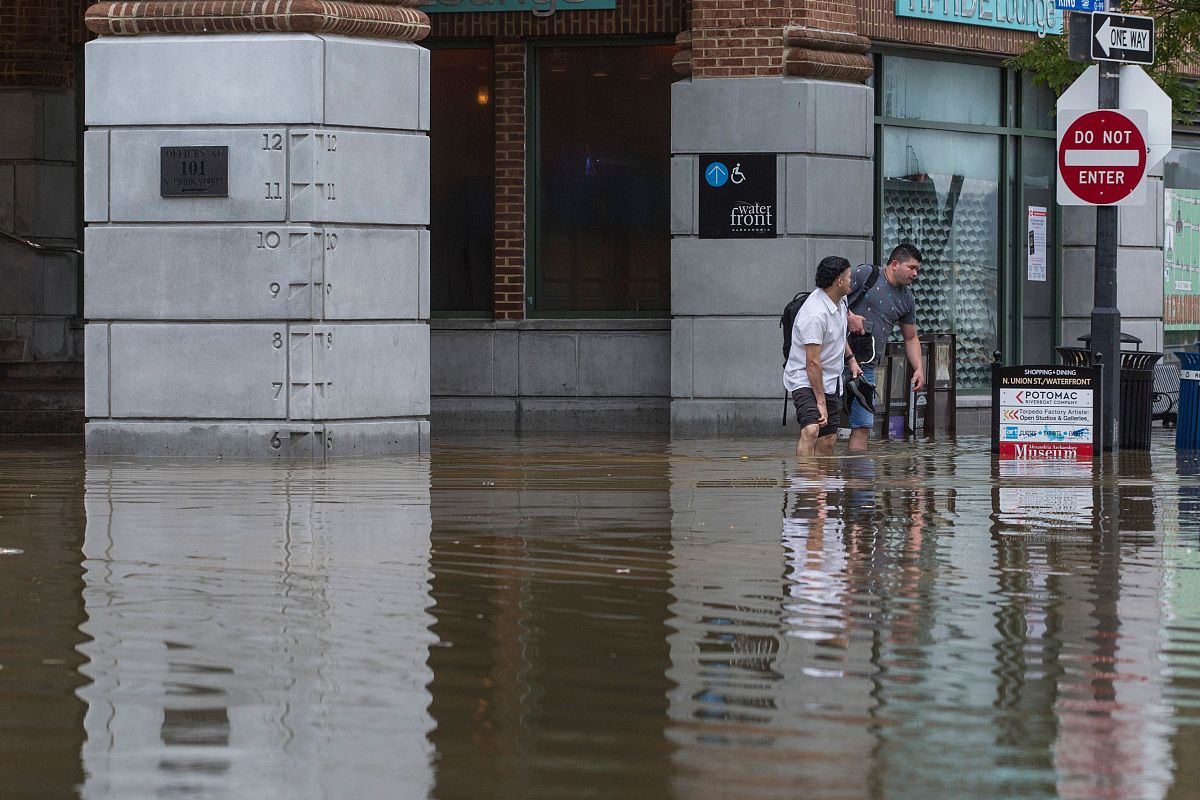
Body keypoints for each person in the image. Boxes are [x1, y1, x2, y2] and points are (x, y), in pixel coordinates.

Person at [844, 243, 926, 453]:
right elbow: (831, 298)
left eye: (918, 269)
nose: (915, 274)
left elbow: (911, 337)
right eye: (912, 267)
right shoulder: (866, 274)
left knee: (863, 426)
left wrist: (918, 368)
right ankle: (814, 483)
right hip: (836, 358)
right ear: (895, 264)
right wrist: (849, 317)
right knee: (823, 424)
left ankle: (859, 483)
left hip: (867, 367)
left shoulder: (907, 299)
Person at [784, 256, 863, 457]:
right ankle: (807, 485)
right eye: (849, 277)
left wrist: (851, 359)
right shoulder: (814, 314)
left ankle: (823, 483)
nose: (851, 281)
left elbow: (838, 333)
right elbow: (812, 362)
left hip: (830, 378)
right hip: (805, 377)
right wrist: (820, 402)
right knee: (811, 430)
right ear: (839, 281)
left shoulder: (840, 300)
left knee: (828, 439)